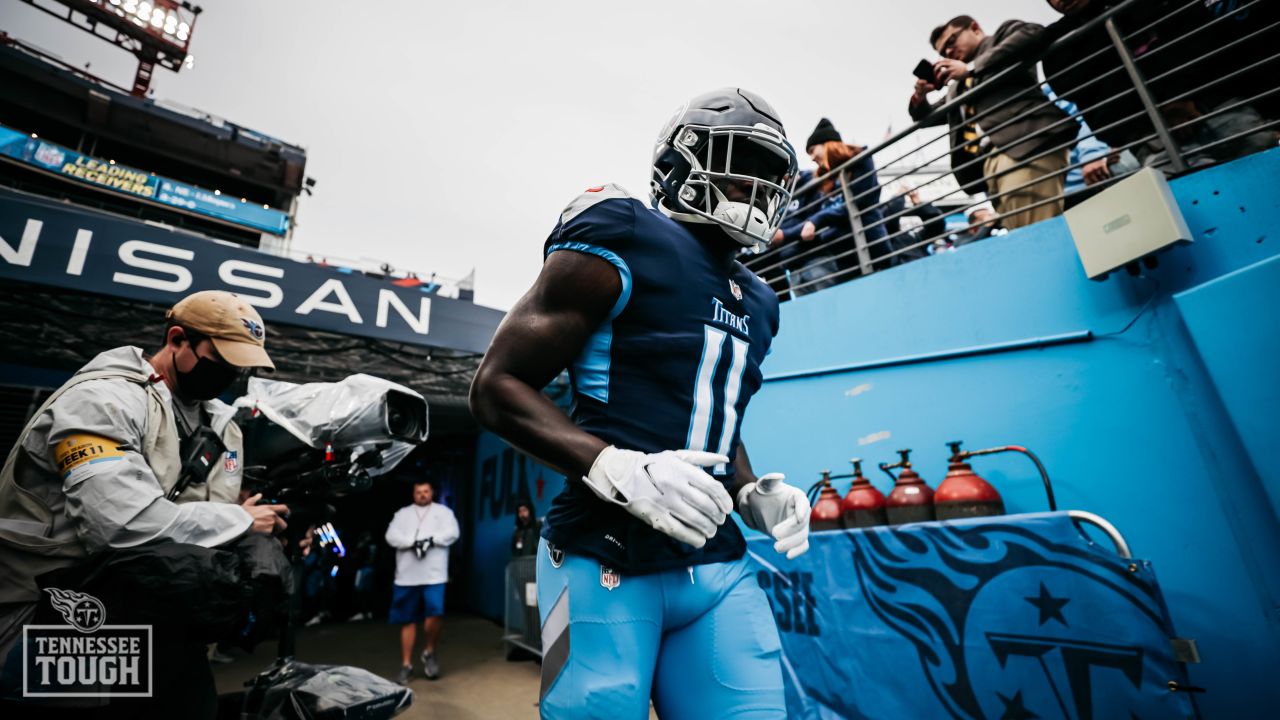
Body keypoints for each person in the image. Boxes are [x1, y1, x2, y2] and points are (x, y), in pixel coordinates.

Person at [469, 87, 812, 719]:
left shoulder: (762, 299)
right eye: (741, 165)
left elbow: (712, 415)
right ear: (681, 163)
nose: (756, 187)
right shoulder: (624, 229)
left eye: (770, 176)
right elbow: (496, 386)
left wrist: (746, 490)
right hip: (604, 556)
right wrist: (617, 467)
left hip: (715, 565)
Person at [0, 289, 286, 717]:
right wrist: (241, 521)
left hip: (162, 621)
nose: (229, 374)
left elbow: (203, 517)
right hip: (60, 614)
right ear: (176, 340)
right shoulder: (101, 401)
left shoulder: (222, 425)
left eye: (240, 367)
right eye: (222, 360)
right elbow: (123, 524)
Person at [1042, 0, 1278, 172]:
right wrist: (1161, 106)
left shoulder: (1150, 6)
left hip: (1218, 109)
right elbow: (1097, 109)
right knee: (1197, 216)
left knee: (1266, 182)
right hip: (1151, 139)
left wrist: (1178, 96)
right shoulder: (1059, 47)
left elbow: (1203, 42)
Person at [911, 15, 1078, 230]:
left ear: (975, 28)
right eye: (943, 53)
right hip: (989, 163)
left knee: (1035, 232)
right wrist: (920, 97)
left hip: (1025, 145)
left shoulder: (1001, 38)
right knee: (1023, 234)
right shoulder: (957, 86)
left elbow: (1033, 33)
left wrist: (971, 68)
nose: (948, 53)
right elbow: (927, 117)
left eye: (951, 42)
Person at [384, 479, 459, 684]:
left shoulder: (444, 513)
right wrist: (412, 542)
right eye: (419, 492)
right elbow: (390, 536)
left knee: (434, 614)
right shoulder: (402, 514)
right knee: (407, 620)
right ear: (413, 494)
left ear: (432, 492)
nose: (422, 495)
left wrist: (431, 540)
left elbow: (453, 533)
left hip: (434, 574)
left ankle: (429, 651)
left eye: (426, 491)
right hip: (406, 577)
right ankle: (406, 665)